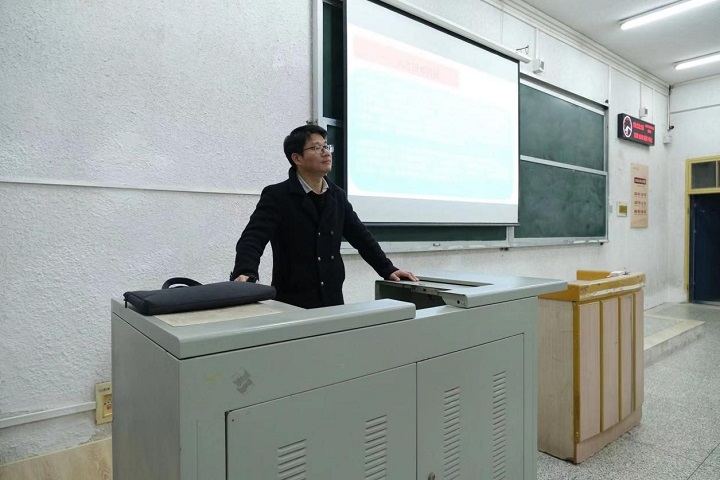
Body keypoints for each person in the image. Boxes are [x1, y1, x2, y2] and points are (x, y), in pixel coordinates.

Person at [231, 124, 418, 309]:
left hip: (333, 298)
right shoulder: (277, 196)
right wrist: (246, 272)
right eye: (316, 148)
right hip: (292, 302)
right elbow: (253, 237)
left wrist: (388, 269)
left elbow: (361, 237)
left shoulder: (337, 196)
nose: (326, 152)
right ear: (297, 158)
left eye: (326, 146)